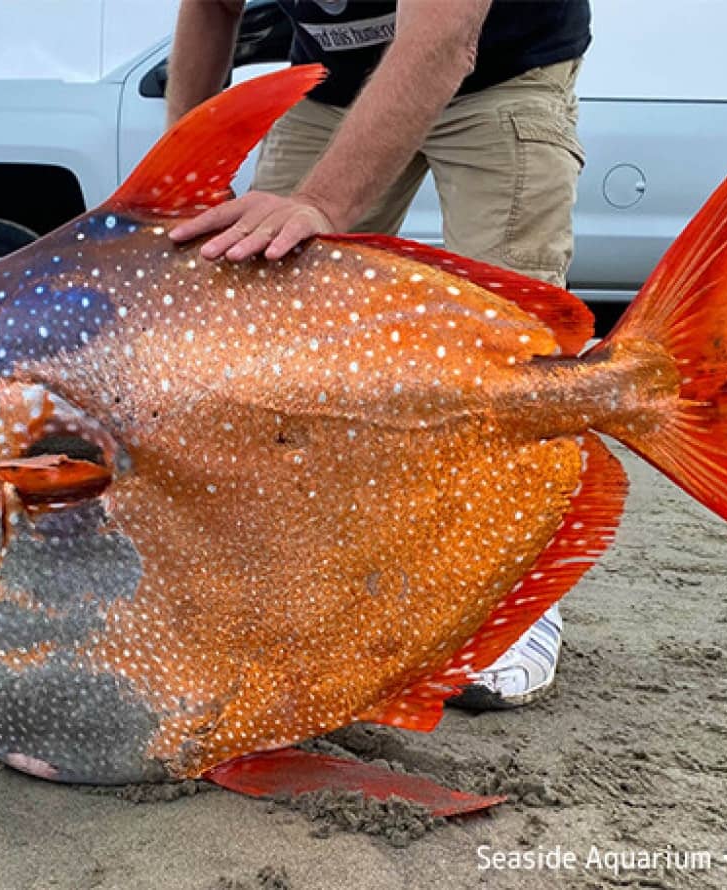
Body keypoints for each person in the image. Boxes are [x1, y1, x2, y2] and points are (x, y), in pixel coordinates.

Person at [164, 0, 590, 709]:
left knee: (510, 342)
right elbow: (211, 9)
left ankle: (513, 597)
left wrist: (322, 204)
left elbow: (444, 38)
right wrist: (187, 184)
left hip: (502, 64)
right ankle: (297, 581)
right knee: (256, 315)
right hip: (335, 85)